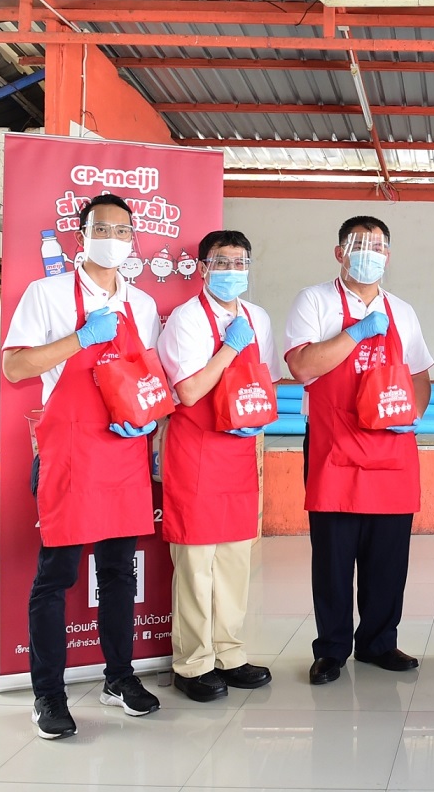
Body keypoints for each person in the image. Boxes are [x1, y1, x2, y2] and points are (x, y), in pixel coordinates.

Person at [1, 193, 163, 739]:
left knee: (119, 573)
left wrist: (147, 421)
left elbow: (147, 374)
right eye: (103, 229)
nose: (113, 239)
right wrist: (79, 338)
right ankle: (48, 694)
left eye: (123, 231)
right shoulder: (46, 294)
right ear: (81, 234)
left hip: (122, 452)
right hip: (69, 452)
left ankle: (120, 678)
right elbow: (17, 366)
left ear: (133, 239)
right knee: (57, 577)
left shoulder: (141, 303)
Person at [284, 216, 434, 685]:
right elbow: (302, 366)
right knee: (333, 555)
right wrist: (357, 333)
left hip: (391, 448)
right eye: (359, 244)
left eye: (378, 245)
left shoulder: (403, 310)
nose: (369, 252)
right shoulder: (315, 300)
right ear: (339, 252)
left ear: (388, 255)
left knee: (388, 556)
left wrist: (414, 414)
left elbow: (419, 374)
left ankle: (379, 642)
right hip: (335, 447)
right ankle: (331, 648)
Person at [156, 230, 275, 702]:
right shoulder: (185, 320)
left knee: (233, 561)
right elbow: (187, 391)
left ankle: (229, 653)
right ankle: (192, 662)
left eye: (240, 262)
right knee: (196, 563)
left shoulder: (257, 317)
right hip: (197, 448)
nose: (232, 271)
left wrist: (256, 421)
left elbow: (258, 377)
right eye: (221, 262)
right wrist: (228, 347)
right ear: (203, 268)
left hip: (239, 448)